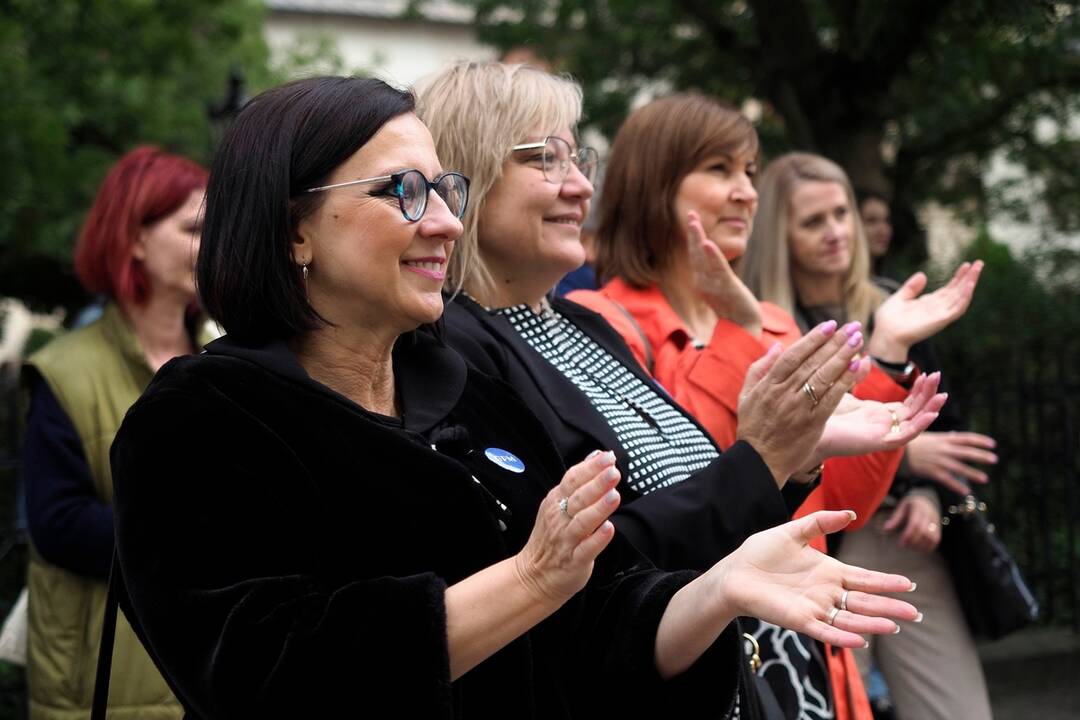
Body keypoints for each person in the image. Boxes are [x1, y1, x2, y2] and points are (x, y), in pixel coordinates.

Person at [107, 75, 922, 719]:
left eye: (446, 191)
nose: (445, 224)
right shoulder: (204, 418)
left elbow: (597, 622)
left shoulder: (463, 392)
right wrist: (529, 581)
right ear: (294, 229)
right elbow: (262, 675)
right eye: (403, 192)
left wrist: (717, 589)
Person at [417, 64, 938, 720]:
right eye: (546, 159)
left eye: (578, 159)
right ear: (468, 170)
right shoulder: (454, 349)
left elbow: (707, 502)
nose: (580, 185)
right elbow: (588, 574)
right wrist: (762, 458)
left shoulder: (581, 324)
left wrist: (793, 457)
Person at [565, 95, 972, 720]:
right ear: (654, 183)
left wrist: (888, 355)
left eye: (750, 172)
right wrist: (742, 328)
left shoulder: (768, 317)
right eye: (719, 170)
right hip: (707, 641)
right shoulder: (602, 319)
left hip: (799, 636)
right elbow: (700, 481)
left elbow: (843, 503)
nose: (746, 192)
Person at [740, 152, 992, 720]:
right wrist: (907, 454)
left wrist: (926, 494)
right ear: (779, 234)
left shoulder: (890, 302)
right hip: (820, 543)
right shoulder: (763, 321)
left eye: (841, 213)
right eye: (813, 221)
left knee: (956, 707)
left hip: (904, 536)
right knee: (833, 704)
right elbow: (779, 447)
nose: (835, 231)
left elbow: (943, 417)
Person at [21, 146, 210, 719]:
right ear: (134, 240)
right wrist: (203, 532)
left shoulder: (226, 358)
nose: (210, 244)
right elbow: (57, 525)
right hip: (102, 683)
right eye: (193, 229)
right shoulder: (64, 370)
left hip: (206, 674)